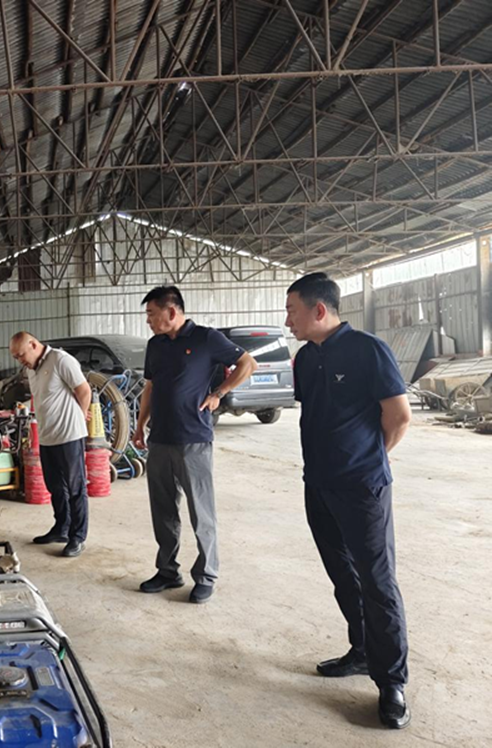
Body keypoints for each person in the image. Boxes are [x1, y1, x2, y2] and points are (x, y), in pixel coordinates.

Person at [285, 272, 412, 730]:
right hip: (318, 485)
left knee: (377, 583)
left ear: (319, 310)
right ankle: (361, 651)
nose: (288, 321)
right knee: (344, 576)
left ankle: (391, 682)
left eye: (292, 311)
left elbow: (398, 416)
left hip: (362, 488)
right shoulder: (304, 358)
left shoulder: (368, 350)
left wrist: (368, 457)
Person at [132, 286, 256, 604]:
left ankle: (206, 575)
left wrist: (218, 393)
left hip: (194, 440)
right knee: (163, 510)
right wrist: (140, 424)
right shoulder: (155, 345)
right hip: (160, 439)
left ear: (171, 312)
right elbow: (150, 387)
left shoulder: (206, 338)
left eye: (151, 314)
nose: (148, 320)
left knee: (201, 512)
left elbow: (247, 364)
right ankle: (167, 571)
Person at [10, 331, 92, 557]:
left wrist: (80, 415)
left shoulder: (61, 360)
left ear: (33, 345)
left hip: (69, 435)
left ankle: (77, 537)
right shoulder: (31, 369)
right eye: (16, 357)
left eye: (21, 355)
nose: (20, 360)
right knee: (54, 486)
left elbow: (84, 390)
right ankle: (61, 528)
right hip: (47, 436)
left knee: (75, 487)